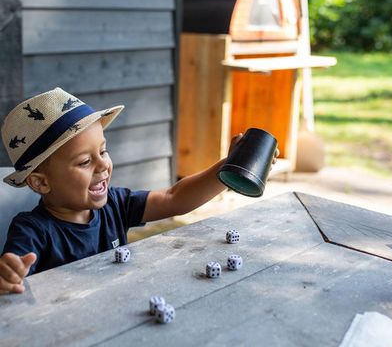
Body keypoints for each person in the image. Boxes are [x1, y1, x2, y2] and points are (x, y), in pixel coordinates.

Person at [0, 88, 278, 294]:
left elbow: (174, 198)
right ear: (41, 183)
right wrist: (8, 274)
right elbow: (11, 272)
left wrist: (228, 167)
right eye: (85, 161)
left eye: (103, 151)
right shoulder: (31, 231)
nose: (103, 165)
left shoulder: (116, 205)